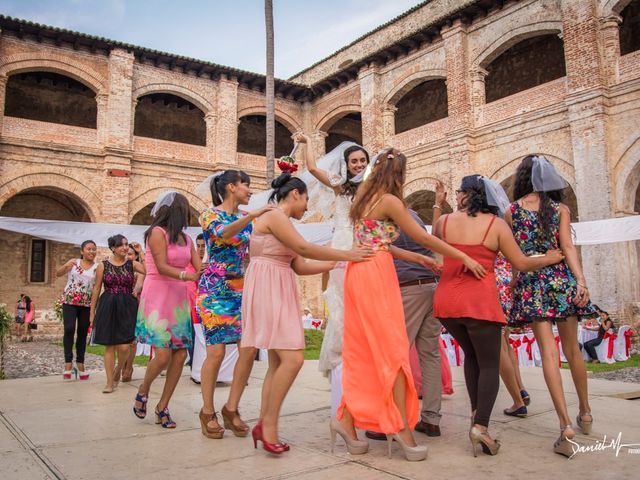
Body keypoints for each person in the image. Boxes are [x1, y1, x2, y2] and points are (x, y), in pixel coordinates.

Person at [338, 149, 486, 463]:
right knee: (391, 352)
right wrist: (463, 256)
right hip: (375, 273)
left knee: (370, 351)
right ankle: (399, 427)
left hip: (365, 270)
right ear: (398, 174)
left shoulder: (364, 200)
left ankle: (347, 420)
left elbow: (380, 243)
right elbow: (423, 236)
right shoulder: (390, 201)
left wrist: (415, 258)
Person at [241, 172, 372, 455]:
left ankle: (265, 424)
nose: (307, 206)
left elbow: (299, 265)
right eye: (306, 199)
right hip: (268, 286)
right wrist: (348, 254)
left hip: (280, 285)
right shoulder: (275, 216)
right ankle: (269, 426)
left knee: (278, 362)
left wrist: (336, 264)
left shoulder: (284, 222)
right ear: (295, 194)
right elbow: (302, 248)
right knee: (293, 359)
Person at [433, 174, 562, 457]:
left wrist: (437, 205)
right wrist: (550, 258)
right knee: (490, 364)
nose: (457, 196)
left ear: (467, 194)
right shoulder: (496, 225)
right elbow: (522, 263)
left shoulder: (443, 222)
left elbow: (436, 249)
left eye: (459, 192)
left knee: (471, 357)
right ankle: (480, 426)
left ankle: (475, 413)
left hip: (447, 304)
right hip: (479, 303)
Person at [507, 155, 597, 457]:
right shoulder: (560, 209)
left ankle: (564, 425)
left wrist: (515, 282)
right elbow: (568, 247)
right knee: (573, 350)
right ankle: (585, 411)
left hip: (532, 282)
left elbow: (515, 254)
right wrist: (581, 281)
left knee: (548, 352)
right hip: (560, 280)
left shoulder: (512, 211)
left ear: (522, 178)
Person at [293, 133, 370, 417]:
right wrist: (307, 143)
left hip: (364, 244)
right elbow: (313, 169)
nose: (359, 165)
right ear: (346, 165)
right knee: (341, 301)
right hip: (342, 244)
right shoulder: (342, 189)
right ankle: (340, 354)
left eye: (362, 160)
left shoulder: (373, 189)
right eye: (354, 161)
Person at [196, 170, 274, 440]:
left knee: (248, 349)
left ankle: (231, 408)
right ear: (231, 187)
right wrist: (252, 216)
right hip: (214, 290)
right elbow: (221, 234)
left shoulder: (246, 220)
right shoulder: (209, 215)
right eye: (246, 185)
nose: (250, 191)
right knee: (216, 352)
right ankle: (207, 412)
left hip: (241, 290)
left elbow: (255, 250)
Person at [133, 192, 201, 428]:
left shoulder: (187, 239)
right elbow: (161, 267)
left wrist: (216, 270)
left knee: (181, 355)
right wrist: (187, 275)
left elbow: (199, 266)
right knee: (162, 355)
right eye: (185, 210)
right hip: (159, 295)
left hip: (179, 299)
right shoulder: (156, 233)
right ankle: (143, 389)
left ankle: (163, 406)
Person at [90, 234, 145, 393]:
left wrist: (141, 253)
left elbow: (150, 271)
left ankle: (119, 368)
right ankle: (109, 382)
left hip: (128, 305)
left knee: (124, 346)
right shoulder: (103, 265)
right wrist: (92, 312)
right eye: (121, 245)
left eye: (127, 244)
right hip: (108, 304)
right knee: (109, 346)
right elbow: (96, 288)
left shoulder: (132, 264)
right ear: (113, 248)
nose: (125, 247)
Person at [56, 240, 98, 380]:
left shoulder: (97, 267)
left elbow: (97, 288)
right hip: (69, 301)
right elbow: (58, 273)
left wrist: (93, 308)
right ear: (82, 251)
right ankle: (68, 363)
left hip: (86, 304)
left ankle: (80, 363)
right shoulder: (74, 262)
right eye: (88, 249)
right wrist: (66, 265)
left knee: (82, 332)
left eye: (94, 249)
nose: (91, 251)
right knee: (69, 329)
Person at [494, 255, 530, 417]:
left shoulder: (488, 229)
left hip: (495, 285)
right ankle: (521, 389)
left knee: (499, 347)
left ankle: (518, 402)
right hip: (510, 285)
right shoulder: (510, 232)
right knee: (506, 344)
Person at [114, 242, 145, 383]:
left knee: (132, 340)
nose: (128, 256)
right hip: (119, 304)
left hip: (134, 304)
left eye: (131, 254)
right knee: (119, 339)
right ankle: (121, 364)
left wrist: (135, 290)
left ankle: (129, 366)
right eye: (126, 254)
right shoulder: (117, 267)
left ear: (136, 256)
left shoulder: (138, 270)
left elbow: (139, 284)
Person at [188, 233, 207, 384]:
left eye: (203, 246)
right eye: (198, 246)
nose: (200, 249)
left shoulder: (210, 263)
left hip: (208, 307)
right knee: (193, 339)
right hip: (191, 306)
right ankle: (195, 370)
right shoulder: (190, 264)